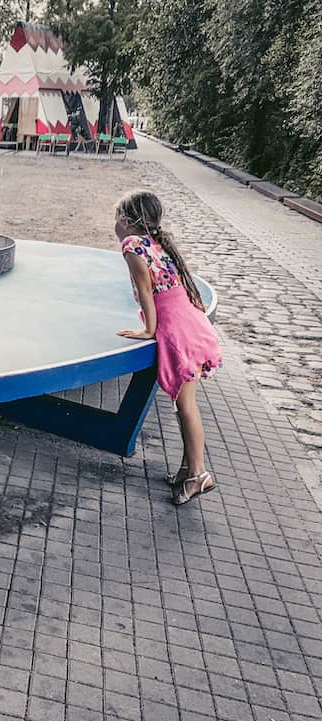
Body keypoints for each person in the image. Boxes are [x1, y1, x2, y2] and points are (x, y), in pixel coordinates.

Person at [114, 190, 222, 505]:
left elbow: (146, 290)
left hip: (178, 330)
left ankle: (199, 475)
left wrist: (148, 329)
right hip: (190, 321)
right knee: (182, 405)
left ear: (125, 219)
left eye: (116, 216)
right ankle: (187, 468)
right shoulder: (158, 241)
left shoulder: (132, 245)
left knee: (186, 407)